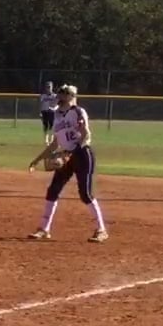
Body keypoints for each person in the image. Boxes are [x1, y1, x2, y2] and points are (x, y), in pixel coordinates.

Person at [27, 83, 107, 243]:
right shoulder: (57, 115)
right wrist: (37, 160)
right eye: (60, 93)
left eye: (64, 93)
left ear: (71, 96)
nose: (60, 96)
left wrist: (72, 152)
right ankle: (44, 229)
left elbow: (86, 135)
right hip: (66, 156)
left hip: (82, 155)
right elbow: (55, 143)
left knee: (85, 194)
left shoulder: (78, 111)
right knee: (53, 191)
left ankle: (101, 230)